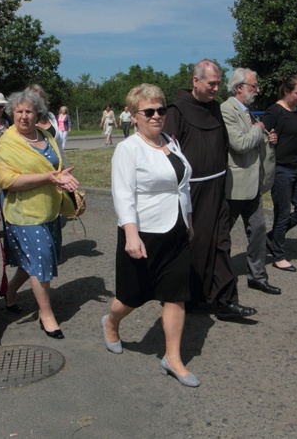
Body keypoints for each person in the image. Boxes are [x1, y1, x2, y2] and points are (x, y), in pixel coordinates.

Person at [103, 83, 198, 387]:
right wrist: (131, 234)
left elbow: (182, 186)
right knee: (131, 297)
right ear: (133, 116)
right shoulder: (128, 149)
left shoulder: (171, 141)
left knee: (176, 295)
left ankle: (172, 358)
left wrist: (190, 220)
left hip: (176, 230)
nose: (157, 115)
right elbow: (123, 194)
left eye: (161, 109)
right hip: (143, 233)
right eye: (149, 111)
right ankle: (111, 323)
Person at [162, 59, 257, 321]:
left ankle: (225, 301)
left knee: (221, 243)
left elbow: (224, 144)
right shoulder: (177, 111)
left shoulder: (215, 109)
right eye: (211, 83)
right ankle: (191, 298)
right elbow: (167, 153)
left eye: (218, 83)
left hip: (217, 187)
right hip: (192, 192)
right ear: (196, 81)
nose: (217, 88)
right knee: (196, 245)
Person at [0, 90, 79, 340]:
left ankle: (10, 292)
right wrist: (47, 178)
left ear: (37, 114)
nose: (23, 116)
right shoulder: (7, 142)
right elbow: (6, 180)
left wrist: (64, 177)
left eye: (29, 111)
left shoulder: (44, 135)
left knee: (35, 259)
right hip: (24, 213)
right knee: (41, 261)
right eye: (19, 111)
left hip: (50, 209)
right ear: (12, 113)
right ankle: (47, 315)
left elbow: (57, 165)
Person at [221, 68, 281, 295]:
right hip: (235, 186)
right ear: (239, 88)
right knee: (222, 234)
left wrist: (268, 139)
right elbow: (240, 144)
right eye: (253, 86)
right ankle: (218, 277)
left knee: (258, 231)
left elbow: (254, 140)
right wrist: (259, 129)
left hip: (253, 184)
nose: (258, 90)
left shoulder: (248, 112)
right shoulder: (226, 109)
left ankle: (257, 276)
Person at [262, 75, 297, 272]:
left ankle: (272, 236)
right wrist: (269, 138)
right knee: (282, 214)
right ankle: (278, 256)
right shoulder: (275, 111)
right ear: (286, 92)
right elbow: (260, 133)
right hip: (281, 168)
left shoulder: (296, 111)